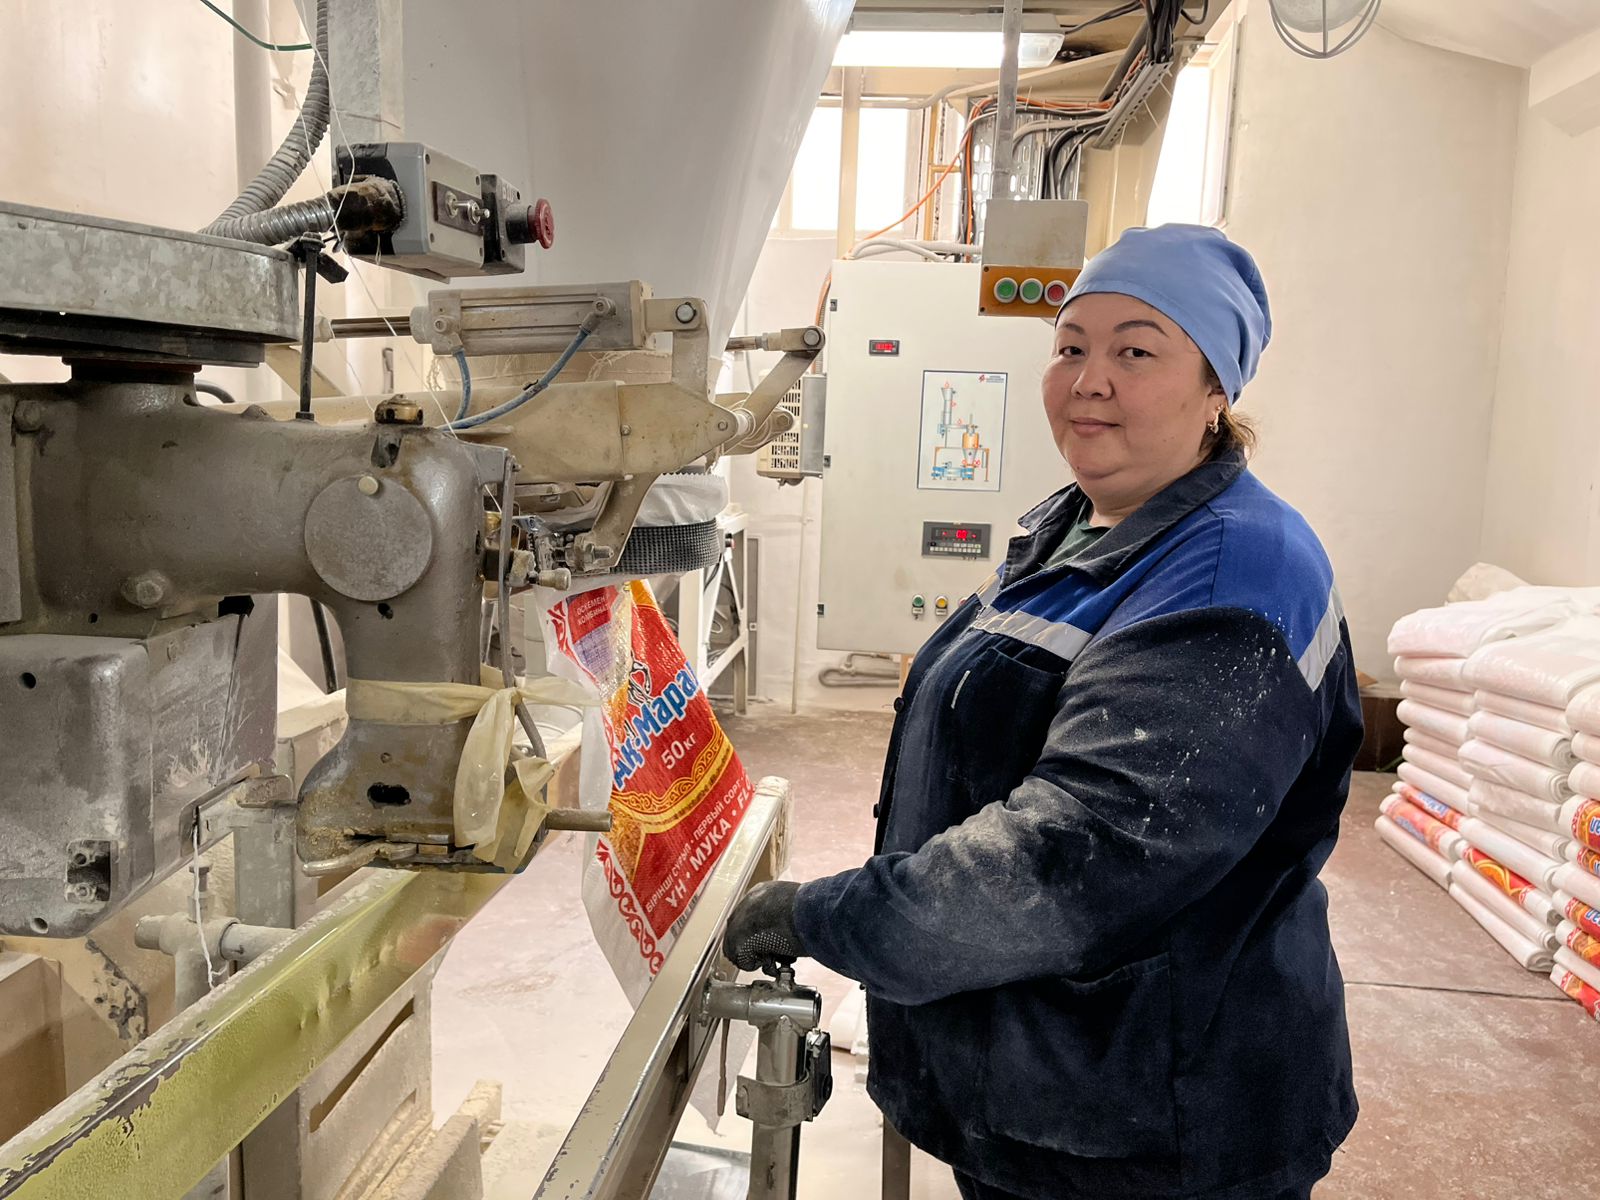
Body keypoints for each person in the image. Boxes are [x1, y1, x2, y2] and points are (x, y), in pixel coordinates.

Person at [723, 224, 1363, 1200]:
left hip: (1152, 1122)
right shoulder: (1080, 523)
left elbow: (1071, 862)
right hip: (1048, 1081)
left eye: (1135, 352)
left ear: (1215, 390)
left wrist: (830, 918)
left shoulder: (1232, 577)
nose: (1088, 381)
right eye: (1070, 347)